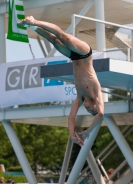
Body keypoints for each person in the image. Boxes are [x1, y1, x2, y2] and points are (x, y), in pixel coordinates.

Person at [18, 16, 104, 146]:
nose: (89, 111)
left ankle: (32, 26)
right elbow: (101, 114)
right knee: (63, 36)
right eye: (93, 110)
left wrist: (72, 135)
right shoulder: (96, 92)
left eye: (90, 112)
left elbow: (71, 117)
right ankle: (34, 21)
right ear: (96, 105)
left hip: (74, 57)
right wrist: (88, 131)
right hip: (85, 54)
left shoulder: (80, 98)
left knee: (54, 40)